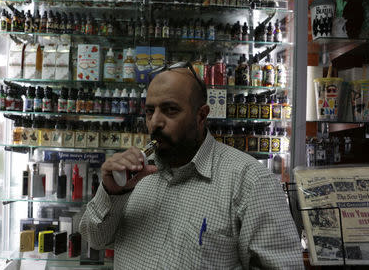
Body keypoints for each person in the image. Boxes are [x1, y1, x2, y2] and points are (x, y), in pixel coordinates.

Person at [80, 63, 304, 269]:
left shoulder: (249, 181)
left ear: (201, 115)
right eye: (150, 111)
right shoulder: (134, 175)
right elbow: (96, 240)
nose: (155, 122)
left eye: (170, 110)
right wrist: (112, 193)